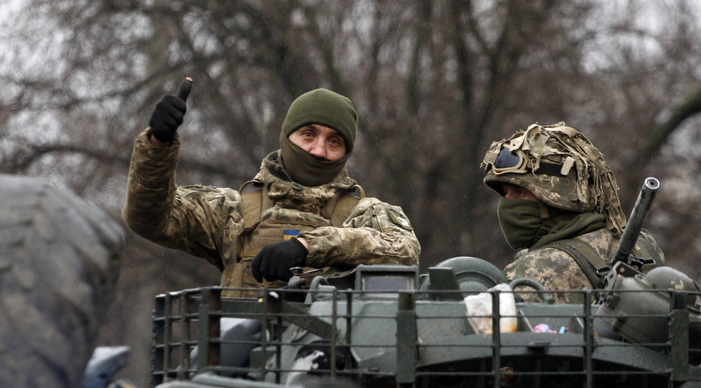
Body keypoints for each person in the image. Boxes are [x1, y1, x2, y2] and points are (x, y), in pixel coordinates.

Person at [123, 80, 420, 297]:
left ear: (345, 152)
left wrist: (308, 248)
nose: (318, 150)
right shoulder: (232, 211)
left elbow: (405, 252)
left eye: (334, 141)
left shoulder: (366, 214)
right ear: (286, 136)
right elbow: (149, 218)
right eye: (308, 134)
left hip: (331, 371)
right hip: (240, 373)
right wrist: (157, 146)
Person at [480, 122, 664, 303]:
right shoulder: (643, 245)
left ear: (555, 198)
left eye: (519, 192)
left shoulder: (532, 272)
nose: (506, 203)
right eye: (505, 193)